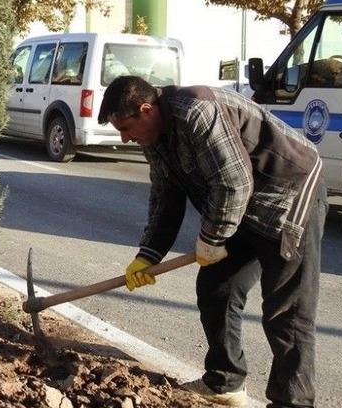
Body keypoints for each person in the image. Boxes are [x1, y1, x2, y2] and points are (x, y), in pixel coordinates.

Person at [98, 76, 327, 408]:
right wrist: (148, 254)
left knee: (286, 310)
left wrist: (212, 238)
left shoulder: (197, 111)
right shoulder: (154, 137)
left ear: (145, 110)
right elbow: (166, 197)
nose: (125, 138)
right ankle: (225, 382)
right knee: (216, 288)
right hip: (240, 209)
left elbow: (234, 184)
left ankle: (293, 403)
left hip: (290, 198)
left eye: (125, 128)